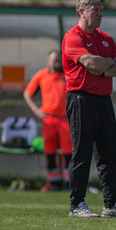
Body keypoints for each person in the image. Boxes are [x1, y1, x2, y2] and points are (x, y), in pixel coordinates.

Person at [63, 0, 116, 218]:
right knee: (82, 153)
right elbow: (91, 64)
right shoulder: (73, 37)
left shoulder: (105, 38)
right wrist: (106, 65)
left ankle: (111, 204)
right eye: (95, 10)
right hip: (80, 99)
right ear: (81, 12)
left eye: (101, 10)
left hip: (104, 101)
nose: (100, 14)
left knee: (110, 154)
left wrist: (102, 70)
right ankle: (77, 205)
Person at [24, 50, 73, 192]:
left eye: (59, 59)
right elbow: (27, 93)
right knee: (50, 152)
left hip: (65, 120)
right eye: (53, 60)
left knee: (68, 153)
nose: (56, 62)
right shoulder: (41, 75)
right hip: (48, 120)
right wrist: (37, 111)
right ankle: (53, 183)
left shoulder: (68, 75)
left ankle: (71, 183)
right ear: (48, 61)